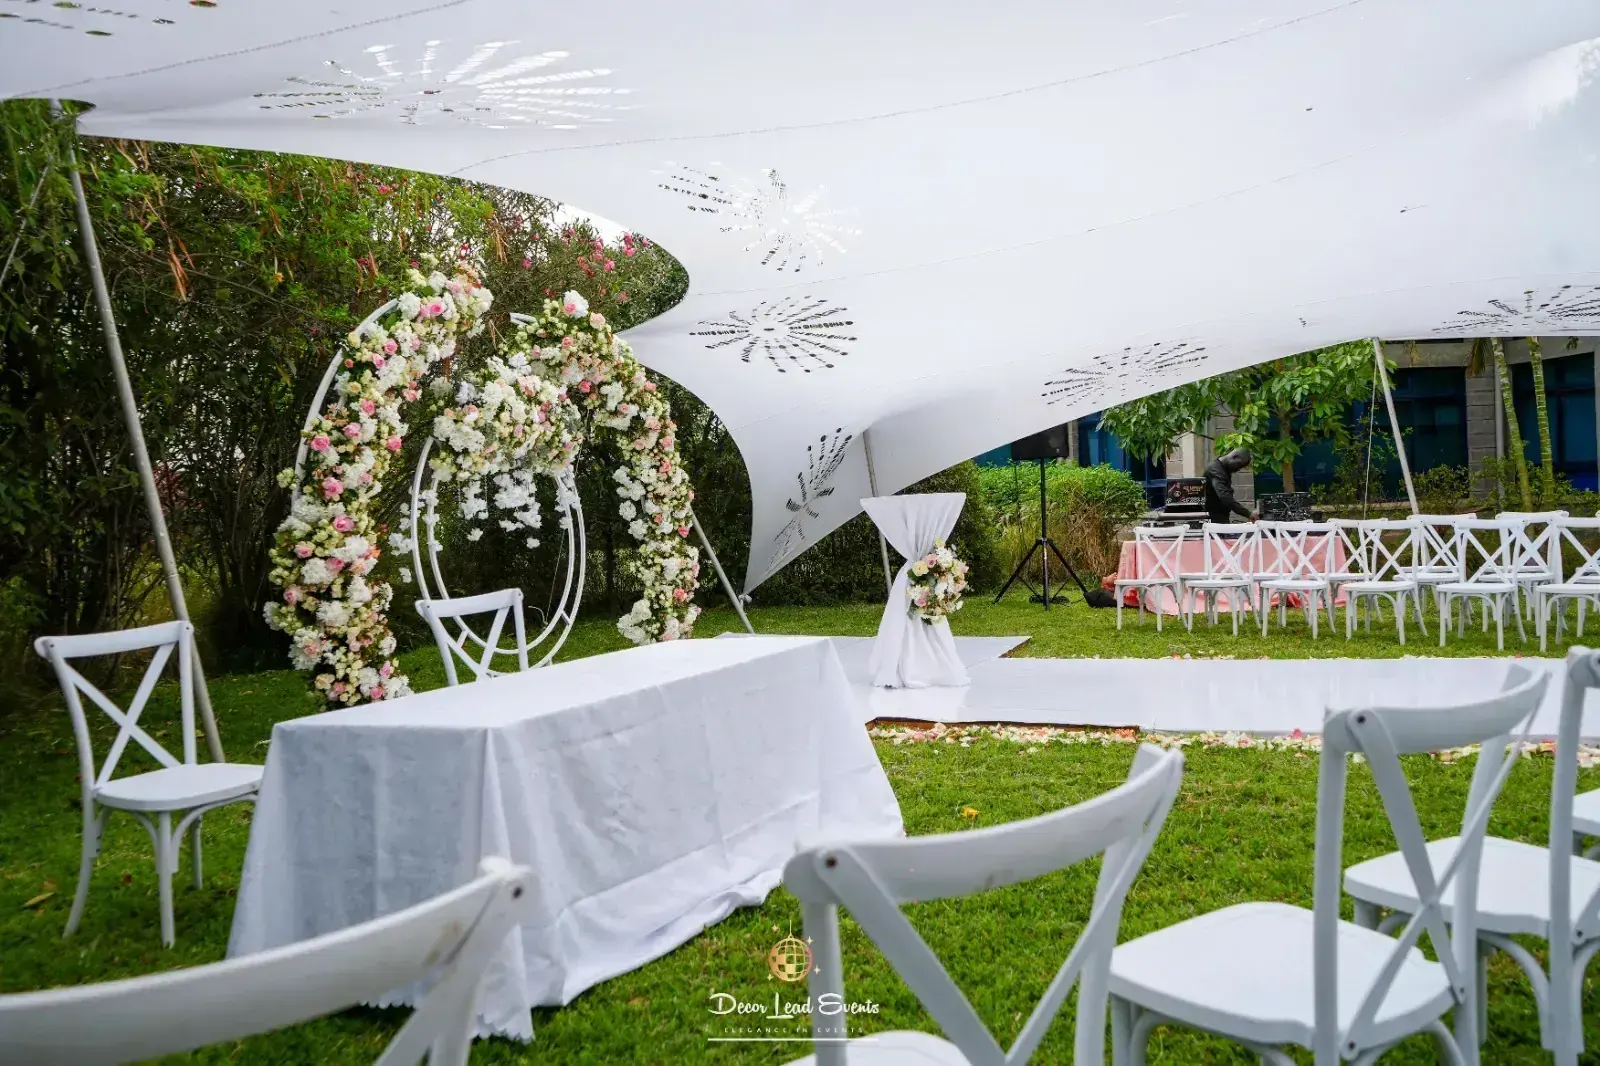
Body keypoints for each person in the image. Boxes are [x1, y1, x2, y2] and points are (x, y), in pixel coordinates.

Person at [1204, 447, 1256, 523]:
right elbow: (1225, 497)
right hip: (1214, 518)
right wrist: (1248, 514)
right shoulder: (1216, 470)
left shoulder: (1223, 469)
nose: (1238, 469)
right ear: (1234, 457)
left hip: (1219, 516)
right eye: (1239, 465)